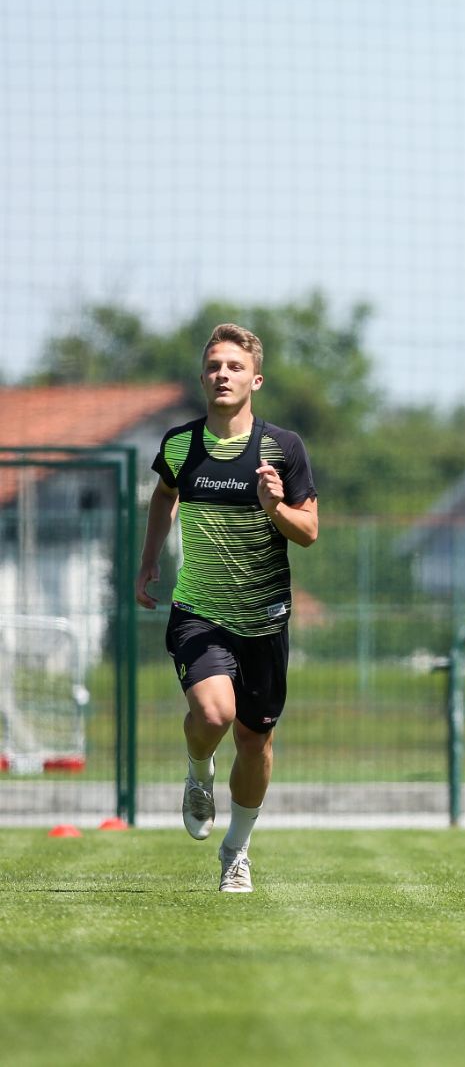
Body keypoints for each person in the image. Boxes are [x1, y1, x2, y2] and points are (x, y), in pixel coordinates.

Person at [135, 324, 319, 893]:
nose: (223, 374)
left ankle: (236, 849)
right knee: (213, 716)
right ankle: (197, 774)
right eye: (215, 365)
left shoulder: (282, 449)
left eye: (235, 367)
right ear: (202, 378)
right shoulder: (180, 445)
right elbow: (165, 494)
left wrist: (274, 507)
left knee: (254, 741)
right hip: (199, 612)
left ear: (254, 380)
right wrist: (149, 564)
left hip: (264, 620)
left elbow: (308, 532)